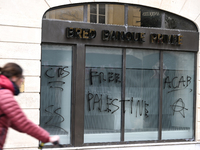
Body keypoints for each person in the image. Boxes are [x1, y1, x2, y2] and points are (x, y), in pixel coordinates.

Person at [0, 63, 59, 150]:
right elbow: (23, 123)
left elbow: (17, 123)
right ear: (14, 78)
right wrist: (47, 138)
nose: (23, 81)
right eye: (22, 77)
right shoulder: (4, 95)